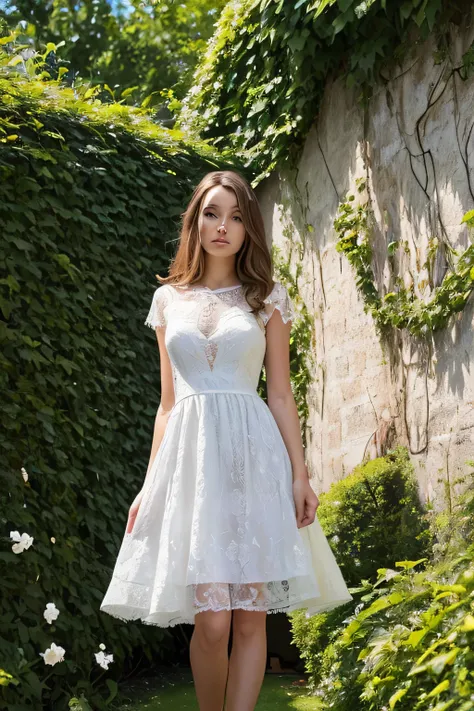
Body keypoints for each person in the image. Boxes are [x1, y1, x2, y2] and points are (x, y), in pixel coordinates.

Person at [100, 170, 353, 710]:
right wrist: (149, 487)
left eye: (237, 217)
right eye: (213, 214)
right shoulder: (168, 300)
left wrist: (300, 475)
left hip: (254, 461)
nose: (224, 226)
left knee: (249, 619)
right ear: (195, 223)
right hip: (192, 466)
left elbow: (281, 395)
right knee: (212, 624)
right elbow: (167, 404)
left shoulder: (266, 298)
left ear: (248, 230)